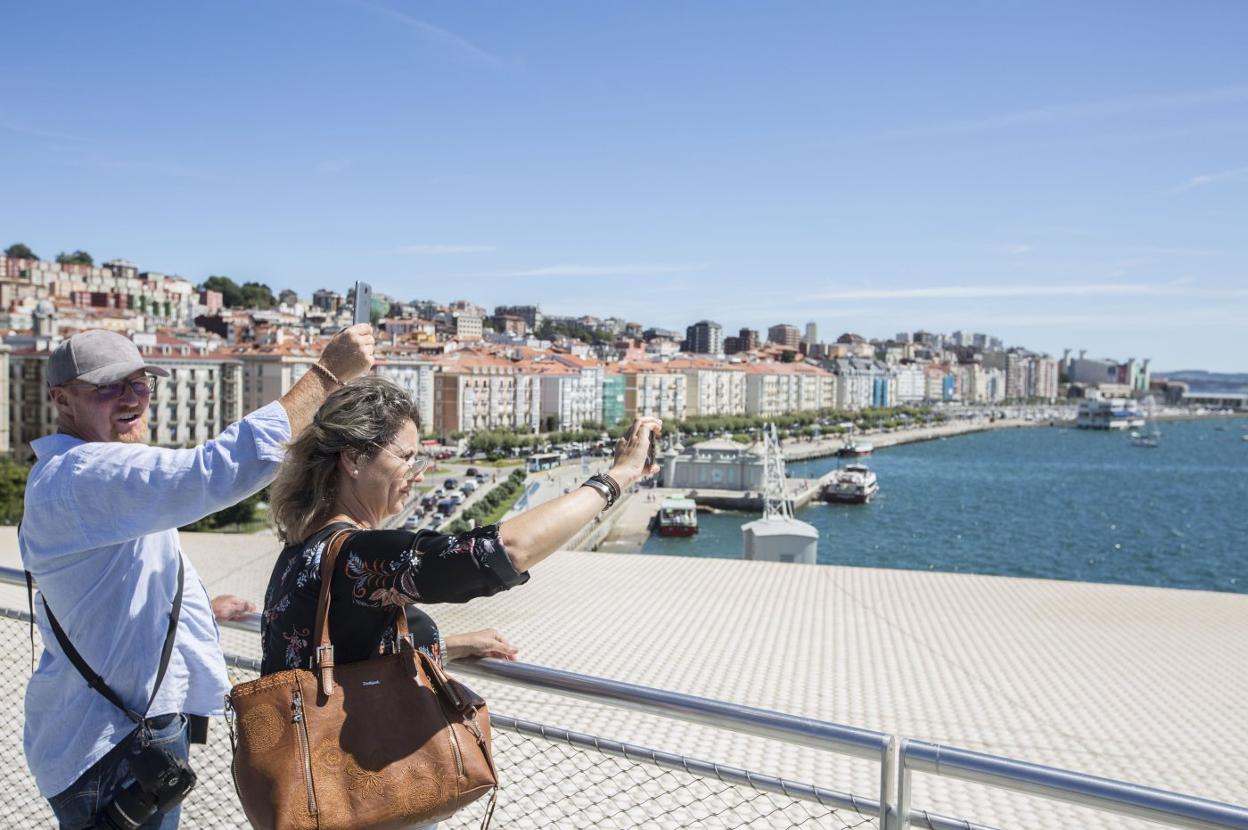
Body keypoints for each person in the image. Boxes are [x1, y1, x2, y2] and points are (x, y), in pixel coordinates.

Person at [19, 324, 375, 829]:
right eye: (107, 387)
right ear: (61, 400)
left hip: (110, 735)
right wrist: (326, 375)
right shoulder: (85, 474)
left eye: (140, 384)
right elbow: (216, 471)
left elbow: (106, 587)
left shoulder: (79, 480)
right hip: (114, 745)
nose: (130, 398)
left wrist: (197, 611)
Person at [260, 377, 659, 683]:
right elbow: (506, 550)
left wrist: (448, 646)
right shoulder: (358, 557)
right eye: (407, 457)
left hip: (302, 777)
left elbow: (347, 651)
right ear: (354, 459)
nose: (416, 474)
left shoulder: (303, 547)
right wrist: (616, 478)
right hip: (342, 786)